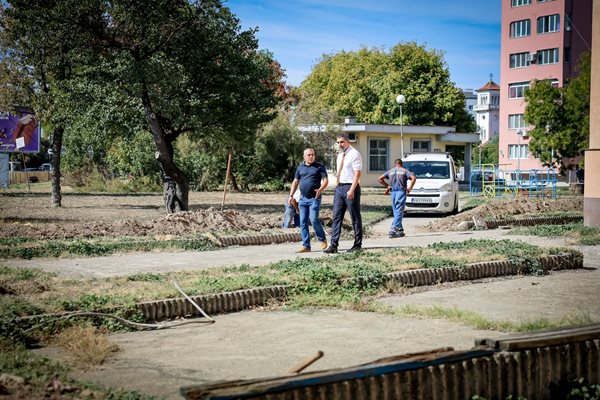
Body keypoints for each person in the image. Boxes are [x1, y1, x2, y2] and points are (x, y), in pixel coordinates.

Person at [324, 133, 363, 254]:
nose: (340, 144)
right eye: (338, 142)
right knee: (336, 217)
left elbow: (357, 174)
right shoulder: (340, 155)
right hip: (340, 188)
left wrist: (351, 190)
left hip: (350, 186)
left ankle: (357, 244)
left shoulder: (354, 154)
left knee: (354, 216)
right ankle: (333, 245)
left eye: (342, 142)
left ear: (347, 142)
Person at [289, 148, 329, 252]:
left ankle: (322, 239)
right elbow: (295, 182)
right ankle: (306, 245)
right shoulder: (300, 168)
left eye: (312, 154)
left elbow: (325, 180)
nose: (311, 156)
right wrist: (291, 195)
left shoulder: (319, 167)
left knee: (313, 219)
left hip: (314, 198)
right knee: (303, 222)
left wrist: (321, 189)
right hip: (303, 199)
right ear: (304, 156)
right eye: (309, 155)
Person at [377, 159, 416, 238]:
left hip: (393, 192)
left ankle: (400, 229)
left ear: (395, 164)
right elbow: (413, 178)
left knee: (396, 211)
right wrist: (410, 188)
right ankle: (393, 229)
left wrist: (387, 186)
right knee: (399, 211)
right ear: (401, 164)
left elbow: (379, 179)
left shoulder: (390, 171)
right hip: (401, 192)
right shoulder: (404, 171)